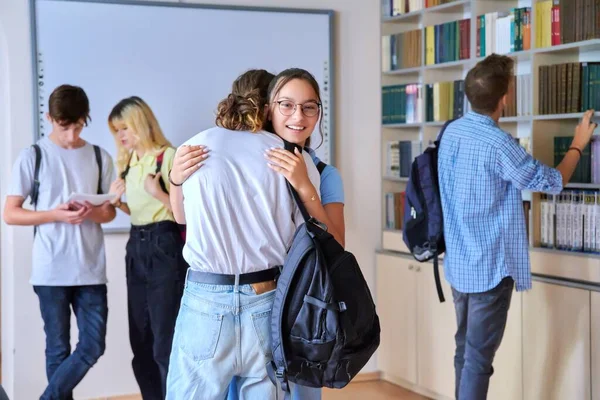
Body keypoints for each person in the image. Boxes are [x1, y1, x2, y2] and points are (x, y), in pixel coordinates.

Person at [437, 53, 597, 400]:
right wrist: (578, 144)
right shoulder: (499, 145)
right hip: (489, 271)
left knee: (464, 352)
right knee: (478, 361)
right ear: (505, 99)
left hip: (460, 266)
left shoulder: (452, 132)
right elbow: (553, 181)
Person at [164, 69, 321, 399]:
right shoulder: (295, 159)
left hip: (206, 296)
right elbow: (309, 237)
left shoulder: (192, 147)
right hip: (268, 299)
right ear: (270, 107)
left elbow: (180, 217)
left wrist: (175, 181)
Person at [227, 67, 346, 400]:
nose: (298, 116)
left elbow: (336, 245)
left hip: (304, 305)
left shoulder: (324, 173)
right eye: (287, 105)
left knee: (303, 393)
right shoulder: (246, 166)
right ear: (269, 110)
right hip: (253, 301)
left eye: (309, 107)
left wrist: (306, 187)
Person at [3, 84, 116, 400]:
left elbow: (108, 214)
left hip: (91, 269)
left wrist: (90, 211)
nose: (70, 135)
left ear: (86, 119)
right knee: (57, 348)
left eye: (77, 126)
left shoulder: (98, 156)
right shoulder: (33, 156)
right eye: (64, 127)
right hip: (50, 270)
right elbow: (10, 213)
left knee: (93, 344)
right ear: (49, 118)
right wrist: (55, 214)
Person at [107, 96, 192, 400]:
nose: (121, 136)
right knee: (140, 341)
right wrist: (119, 204)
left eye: (124, 128)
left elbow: (184, 213)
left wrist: (157, 191)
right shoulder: (128, 165)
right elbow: (140, 211)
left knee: (163, 342)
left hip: (165, 247)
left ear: (141, 123)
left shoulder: (167, 157)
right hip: (136, 247)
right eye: (116, 131)